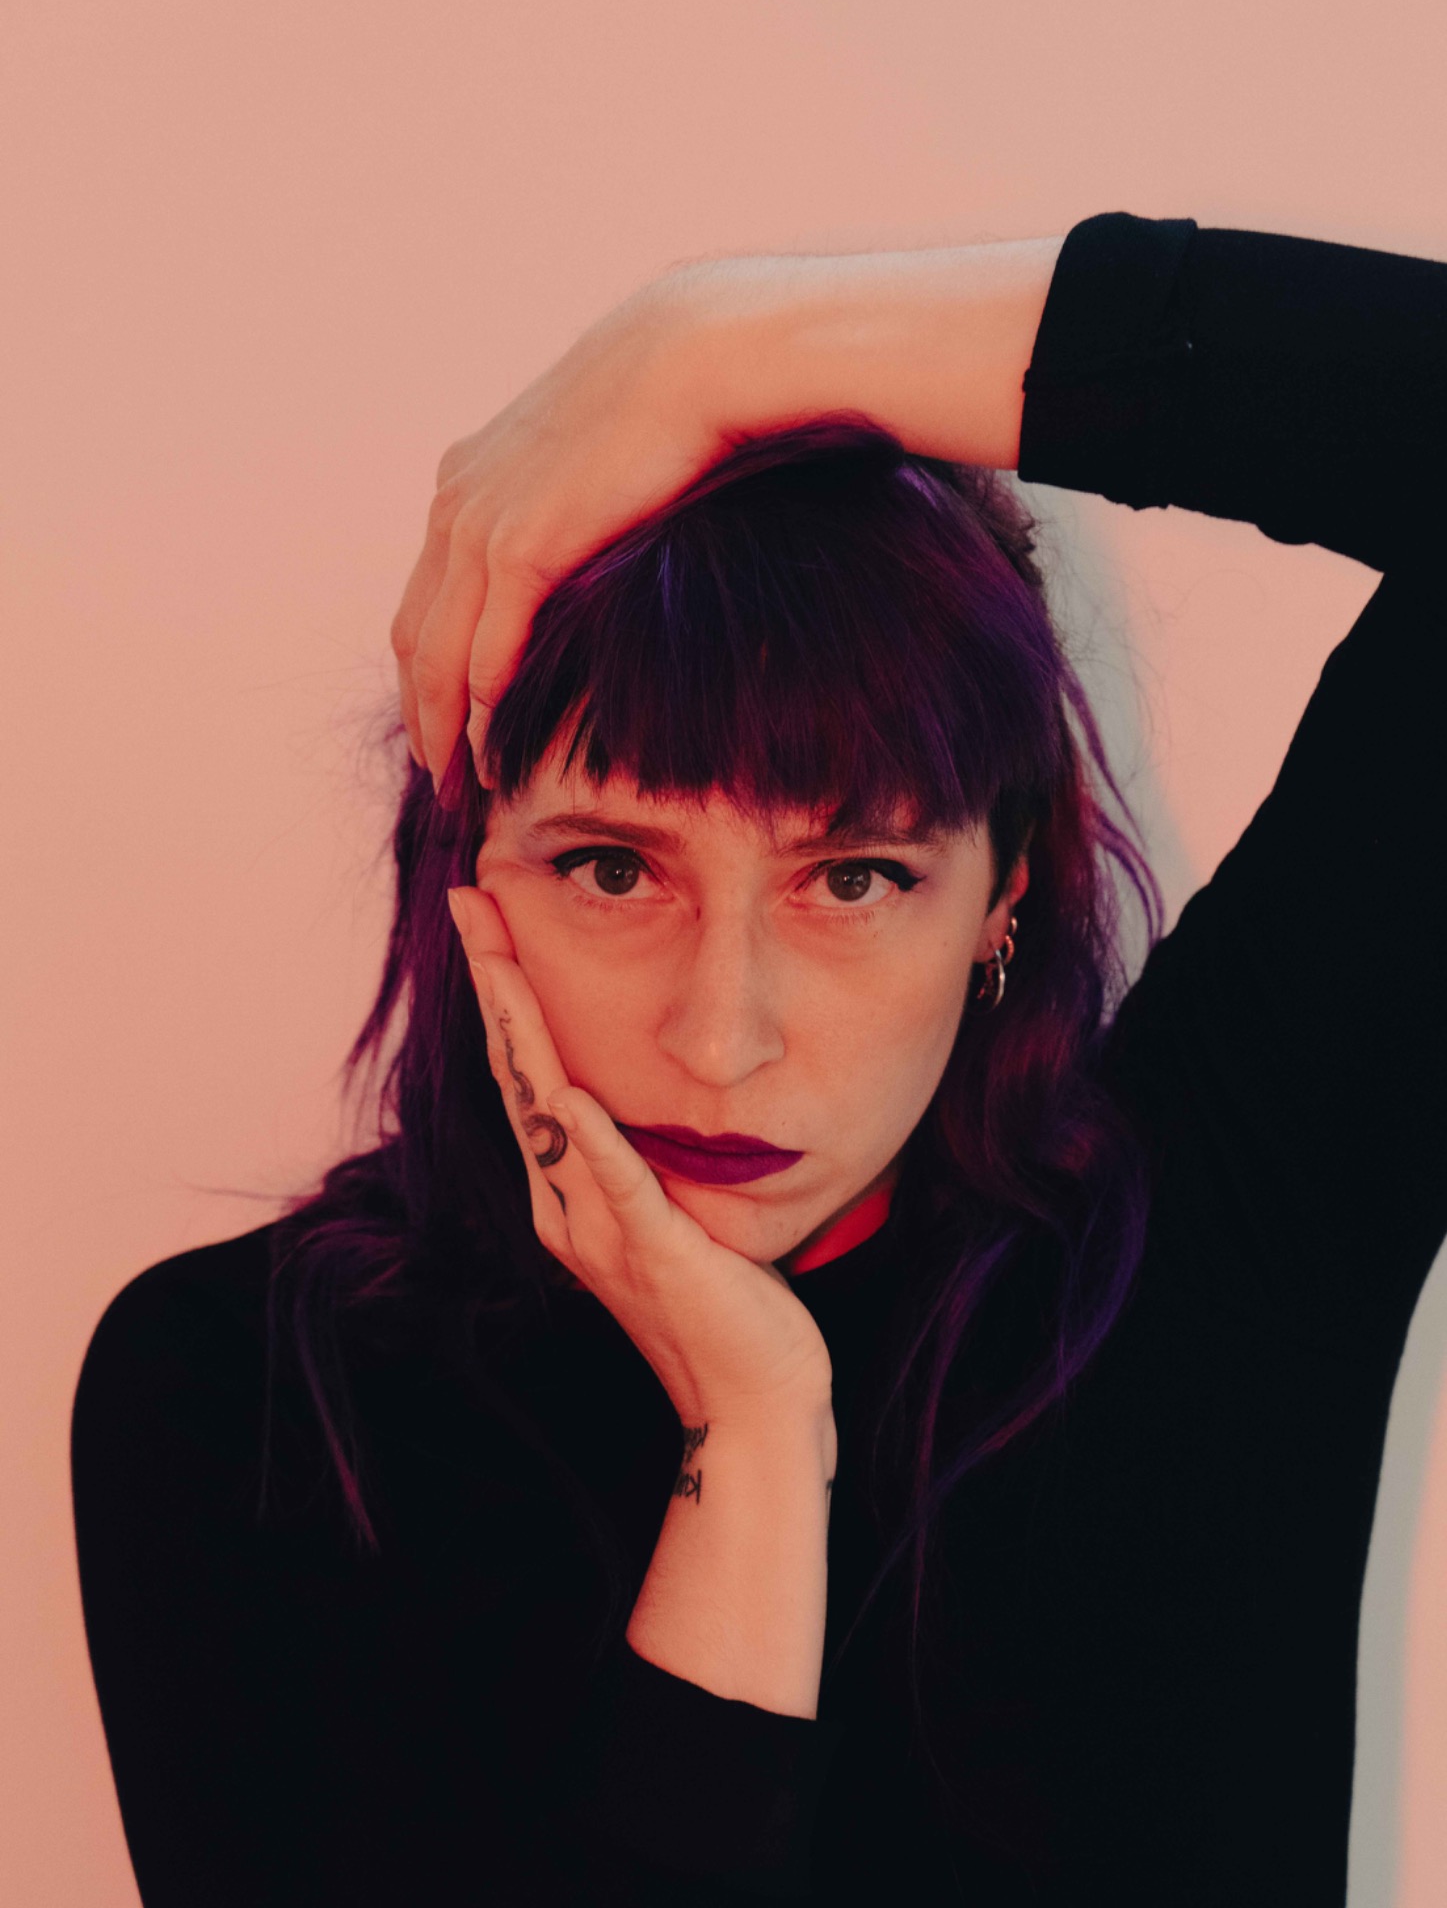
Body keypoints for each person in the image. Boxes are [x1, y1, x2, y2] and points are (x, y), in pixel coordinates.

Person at [70, 210, 1447, 1906]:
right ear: (468, 875)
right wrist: (754, 1441)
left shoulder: (1225, 1227)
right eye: (612, 869)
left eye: (853, 879)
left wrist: (713, 349)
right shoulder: (256, 1399)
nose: (722, 1037)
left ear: (1003, 896)